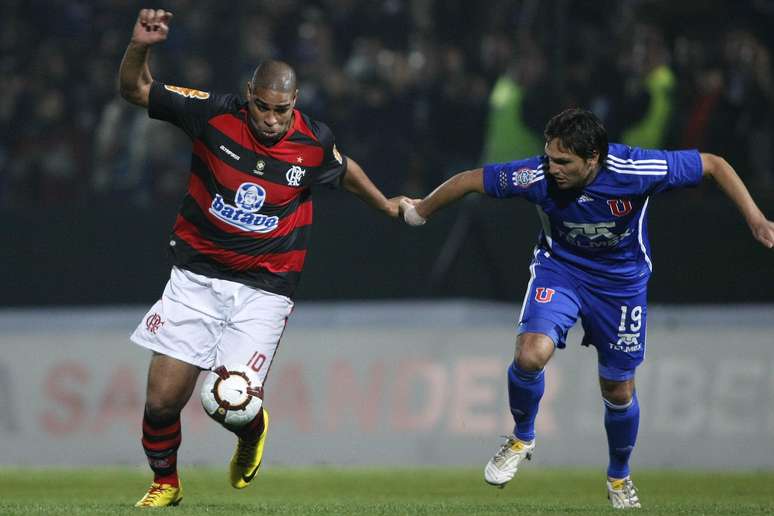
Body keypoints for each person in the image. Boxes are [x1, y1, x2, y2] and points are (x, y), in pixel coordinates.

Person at [400, 107, 774, 510]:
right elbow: (471, 180)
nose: (552, 167)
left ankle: (618, 476)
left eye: (563, 161)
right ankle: (522, 436)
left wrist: (755, 218)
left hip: (621, 285)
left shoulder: (636, 168)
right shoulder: (535, 176)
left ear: (593, 157)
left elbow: (714, 165)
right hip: (559, 270)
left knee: (617, 387)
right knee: (530, 354)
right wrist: (422, 211)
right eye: (549, 157)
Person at [119, 9, 406, 508]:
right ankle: (166, 483)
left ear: (294, 102)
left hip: (264, 288)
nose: (272, 121)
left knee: (224, 402)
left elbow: (343, 167)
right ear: (248, 96)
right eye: (263, 109)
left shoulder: (312, 141)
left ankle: (250, 434)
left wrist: (383, 203)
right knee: (162, 401)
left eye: (282, 110)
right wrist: (140, 45)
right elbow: (136, 90)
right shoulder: (211, 114)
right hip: (196, 276)